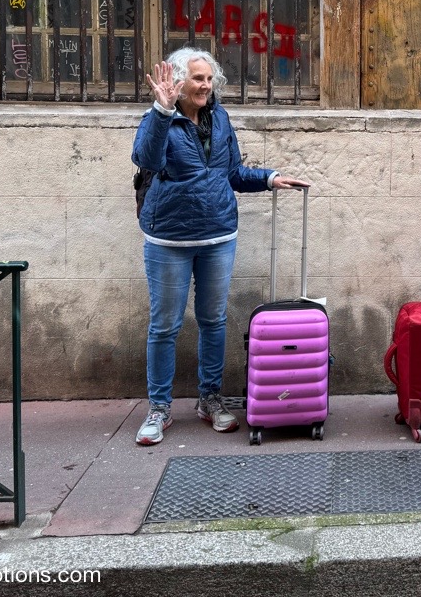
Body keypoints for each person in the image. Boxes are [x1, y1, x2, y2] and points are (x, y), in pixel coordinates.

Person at [131, 47, 310, 446]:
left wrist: (269, 178)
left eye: (210, 79)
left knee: (213, 320)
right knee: (165, 326)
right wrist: (162, 111)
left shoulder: (220, 118)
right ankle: (159, 407)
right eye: (198, 79)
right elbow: (147, 159)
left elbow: (230, 173)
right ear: (180, 82)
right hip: (169, 239)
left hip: (218, 237)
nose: (206, 86)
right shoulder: (158, 119)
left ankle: (209, 398)